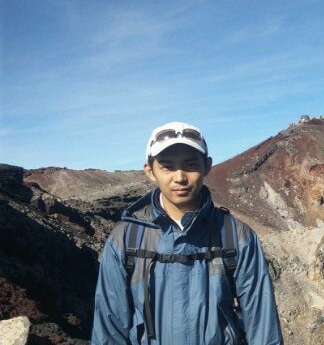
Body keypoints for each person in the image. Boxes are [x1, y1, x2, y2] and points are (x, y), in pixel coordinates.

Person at [92, 121, 283, 344]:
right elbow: (110, 329)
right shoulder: (124, 240)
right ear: (150, 171)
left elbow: (262, 325)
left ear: (207, 166)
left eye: (191, 165)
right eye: (167, 166)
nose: (180, 177)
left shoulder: (237, 237)